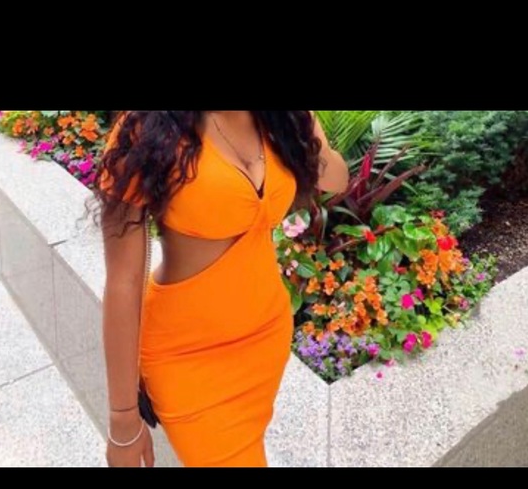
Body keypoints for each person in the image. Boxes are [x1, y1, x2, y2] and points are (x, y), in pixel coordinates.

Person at [96, 111, 349, 467]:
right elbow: (123, 281)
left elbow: (337, 179)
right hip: (188, 358)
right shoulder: (146, 126)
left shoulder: (276, 118)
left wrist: (301, 129)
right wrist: (123, 420)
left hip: (267, 337)